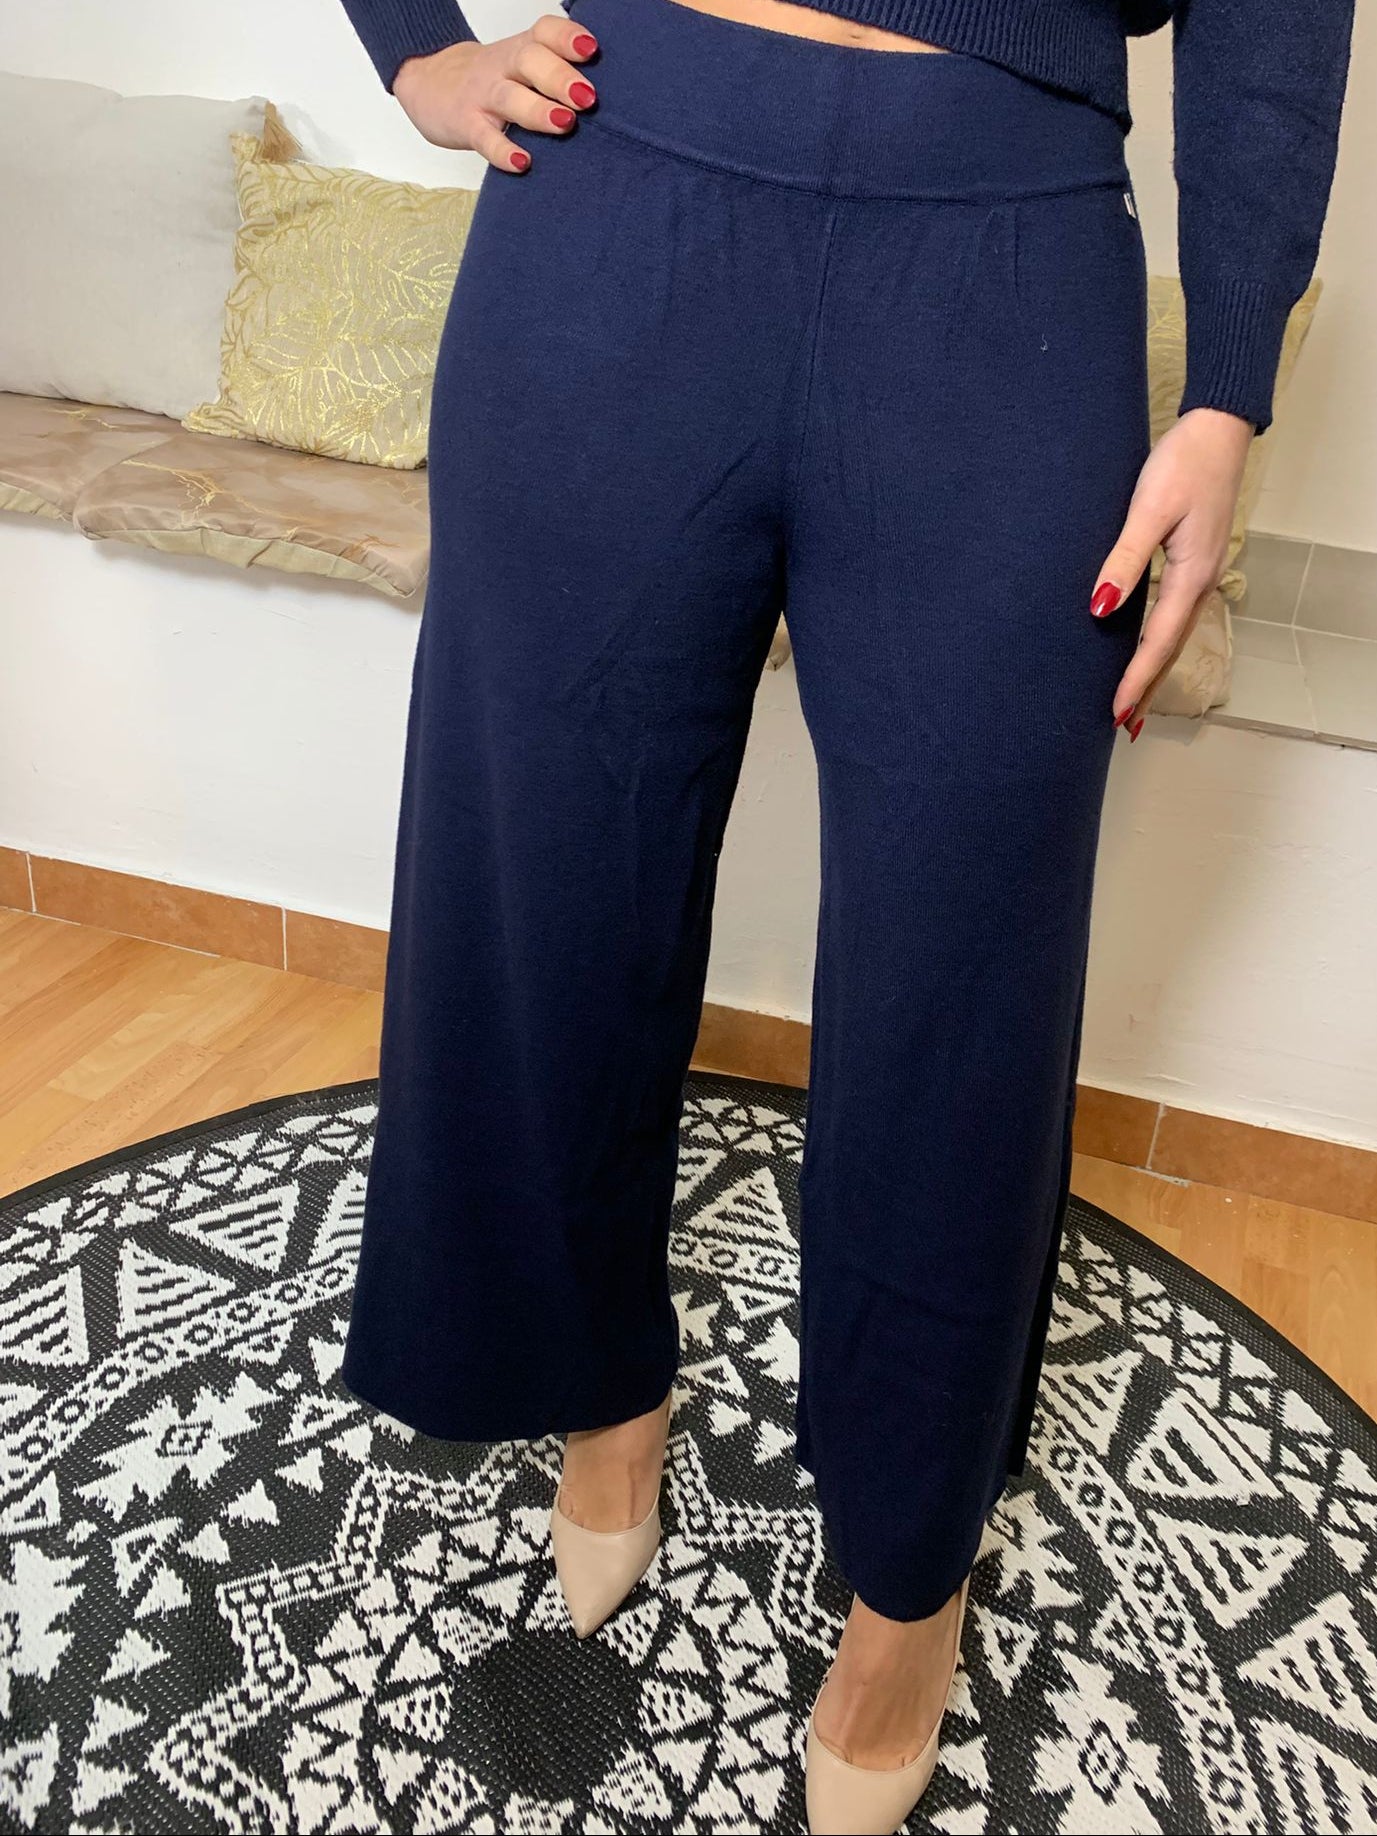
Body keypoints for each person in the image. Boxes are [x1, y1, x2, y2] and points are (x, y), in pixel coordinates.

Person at [334, 0, 1353, 1828]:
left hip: (1002, 258)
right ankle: (600, 1385)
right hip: (619, 195)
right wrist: (414, 48)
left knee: (963, 968)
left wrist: (1222, 394)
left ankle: (905, 1576)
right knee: (546, 879)